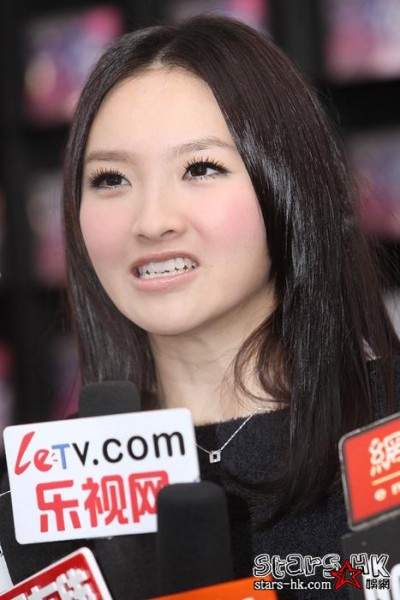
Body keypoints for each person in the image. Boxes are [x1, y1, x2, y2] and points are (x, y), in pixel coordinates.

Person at [1, 13, 400, 600]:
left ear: (288, 185)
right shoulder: (35, 499)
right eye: (110, 179)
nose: (152, 221)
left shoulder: (387, 434)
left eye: (200, 168)